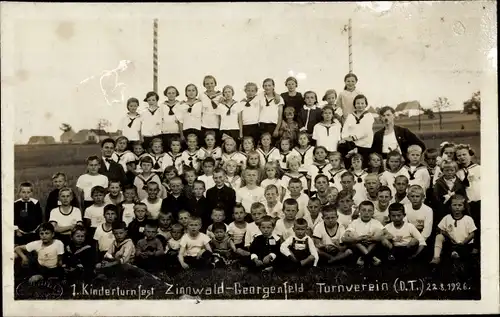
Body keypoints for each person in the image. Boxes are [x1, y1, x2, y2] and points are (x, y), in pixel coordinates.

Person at [430, 195, 477, 264]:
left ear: (464, 207)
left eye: (460, 205)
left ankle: (456, 255)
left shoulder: (467, 219)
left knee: (464, 251)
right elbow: (441, 230)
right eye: (454, 205)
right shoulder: (447, 218)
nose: (457, 207)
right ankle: (436, 257)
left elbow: (472, 233)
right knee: (439, 237)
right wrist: (449, 236)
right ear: (450, 206)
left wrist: (464, 242)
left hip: (464, 243)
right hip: (451, 242)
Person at [455, 144, 480, 253]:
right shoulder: (458, 172)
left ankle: (478, 246)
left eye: (464, 154)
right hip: (468, 203)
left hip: (479, 200)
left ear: (470, 155)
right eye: (459, 155)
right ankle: (470, 246)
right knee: (470, 225)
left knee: (479, 224)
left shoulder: (479, 168)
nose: (462, 157)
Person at [343, 201, 384, 267]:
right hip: (358, 246)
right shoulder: (354, 222)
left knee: (378, 234)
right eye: (363, 210)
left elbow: (383, 233)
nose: (366, 213)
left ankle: (363, 257)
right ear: (359, 211)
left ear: (373, 212)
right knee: (353, 237)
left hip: (372, 245)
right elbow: (347, 234)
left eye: (369, 211)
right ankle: (371, 257)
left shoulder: (376, 222)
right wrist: (358, 239)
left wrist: (373, 238)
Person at [339, 94, 374, 165]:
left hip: (364, 145)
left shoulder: (369, 116)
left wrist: (353, 137)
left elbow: (366, 131)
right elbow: (345, 129)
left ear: (365, 104)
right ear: (354, 104)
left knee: (362, 164)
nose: (360, 105)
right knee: (350, 163)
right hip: (352, 145)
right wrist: (344, 138)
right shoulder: (350, 116)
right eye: (358, 103)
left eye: (362, 103)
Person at [433, 160, 467, 225]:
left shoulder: (459, 182)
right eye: (446, 170)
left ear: (455, 171)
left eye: (452, 170)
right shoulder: (439, 183)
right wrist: (444, 197)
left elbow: (463, 195)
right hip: (443, 207)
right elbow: (436, 196)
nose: (449, 172)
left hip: (457, 207)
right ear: (442, 171)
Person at [200, 75, 222, 143]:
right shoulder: (202, 95)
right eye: (207, 83)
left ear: (215, 83)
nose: (210, 85)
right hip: (204, 124)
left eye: (211, 83)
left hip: (216, 124)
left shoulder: (220, 95)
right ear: (204, 85)